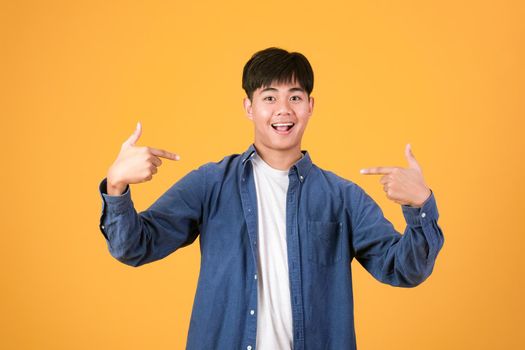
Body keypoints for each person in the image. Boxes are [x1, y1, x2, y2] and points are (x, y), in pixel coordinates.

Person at [98, 47, 444, 350]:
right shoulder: (211, 184)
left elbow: (404, 269)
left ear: (310, 106)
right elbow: (135, 246)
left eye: (294, 97)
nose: (283, 109)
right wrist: (116, 186)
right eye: (269, 97)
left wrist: (420, 205)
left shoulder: (343, 198)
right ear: (249, 107)